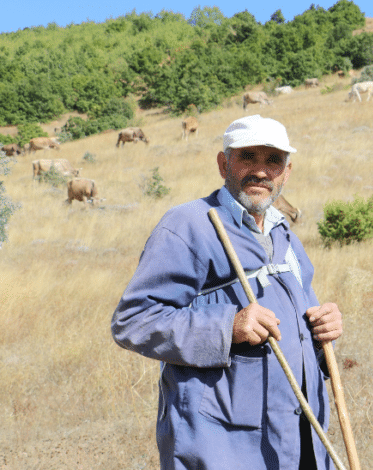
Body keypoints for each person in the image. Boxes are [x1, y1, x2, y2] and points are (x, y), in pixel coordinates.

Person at [111, 115, 343, 470]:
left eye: (273, 160)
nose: (262, 171)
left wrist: (321, 329)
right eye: (248, 156)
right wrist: (227, 328)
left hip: (298, 438)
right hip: (224, 445)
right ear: (224, 164)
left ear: (287, 171)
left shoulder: (284, 234)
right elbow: (133, 321)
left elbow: (300, 317)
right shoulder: (189, 225)